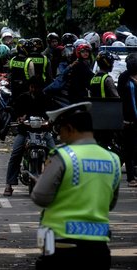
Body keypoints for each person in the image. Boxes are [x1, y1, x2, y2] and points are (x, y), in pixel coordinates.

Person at [31, 101, 121, 269]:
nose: (60, 136)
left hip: (60, 245)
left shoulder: (63, 156)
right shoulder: (113, 159)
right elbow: (110, 203)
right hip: (99, 247)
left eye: (60, 130)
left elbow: (40, 196)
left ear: (70, 128)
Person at [3, 76, 55, 196]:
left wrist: (51, 120)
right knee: (15, 154)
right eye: (31, 87)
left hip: (43, 132)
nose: (33, 90)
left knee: (55, 153)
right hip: (25, 132)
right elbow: (14, 110)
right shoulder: (23, 98)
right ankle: (9, 184)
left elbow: (51, 113)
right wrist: (19, 117)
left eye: (36, 88)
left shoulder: (46, 99)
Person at [116, 52, 137, 187]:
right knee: (128, 149)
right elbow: (120, 98)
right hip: (128, 120)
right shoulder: (124, 78)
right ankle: (131, 177)